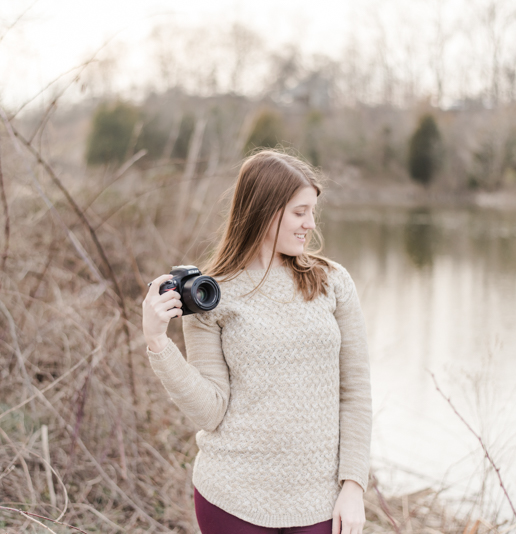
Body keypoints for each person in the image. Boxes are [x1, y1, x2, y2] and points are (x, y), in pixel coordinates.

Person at [141, 150, 372, 534]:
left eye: (312, 212)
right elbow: (209, 412)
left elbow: (356, 392)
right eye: (300, 213)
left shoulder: (333, 282)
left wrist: (354, 485)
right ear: (266, 210)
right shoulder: (210, 295)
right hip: (232, 499)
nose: (310, 224)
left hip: (320, 503)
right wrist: (157, 342)